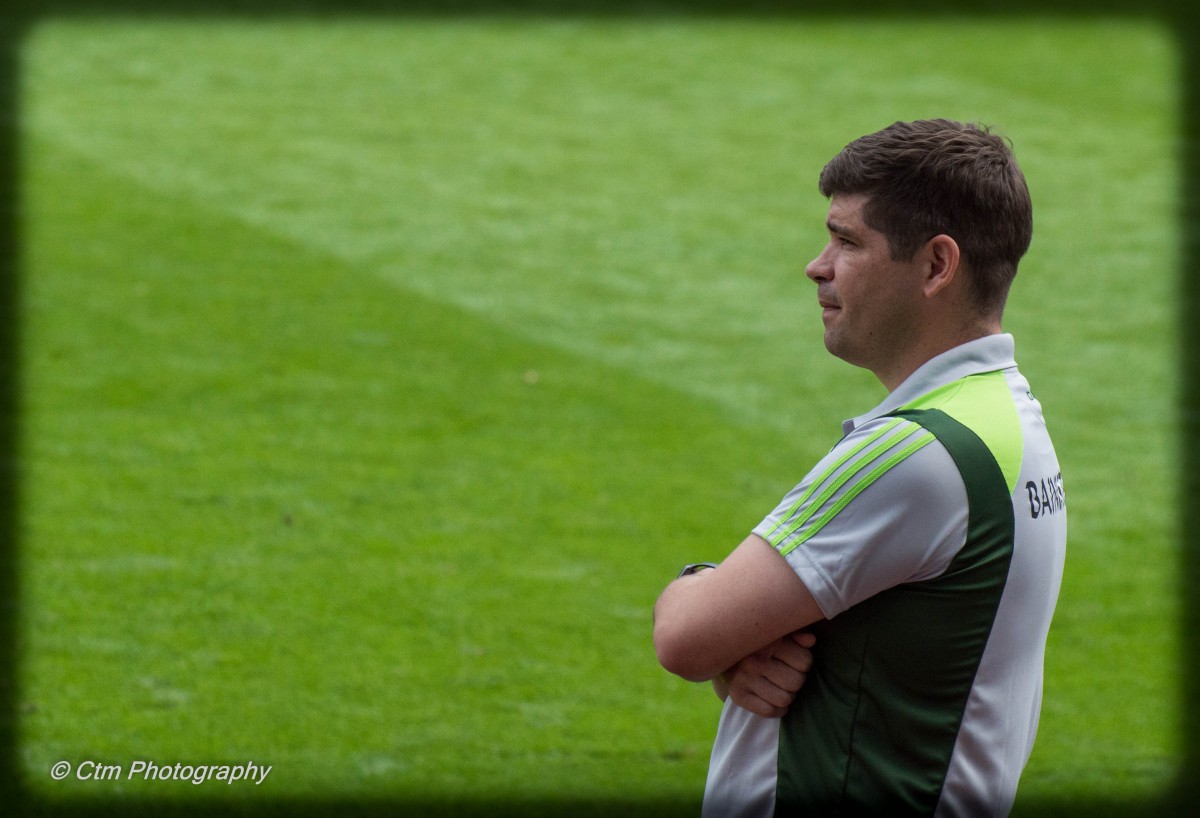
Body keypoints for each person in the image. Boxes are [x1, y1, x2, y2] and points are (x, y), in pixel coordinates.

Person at [653, 119, 1067, 817]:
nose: (817, 265)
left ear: (937, 266)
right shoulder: (1007, 418)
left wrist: (701, 596)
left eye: (848, 241)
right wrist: (741, 648)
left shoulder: (916, 454)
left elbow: (684, 638)